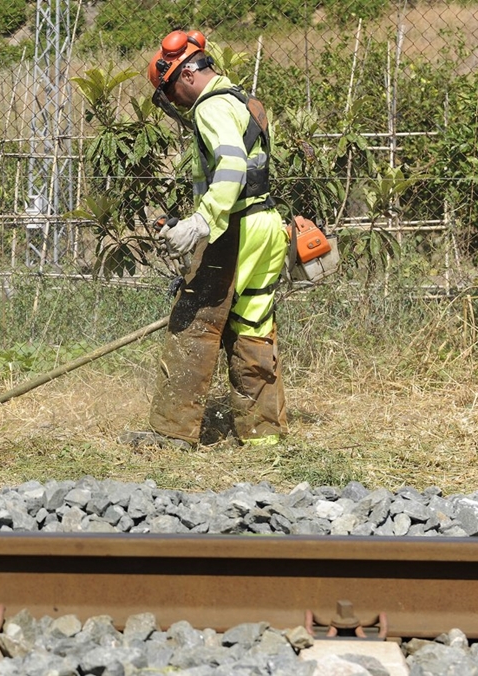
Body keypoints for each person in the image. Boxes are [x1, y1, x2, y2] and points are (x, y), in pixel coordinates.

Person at [120, 30, 290, 449]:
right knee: (254, 326)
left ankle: (171, 432)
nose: (176, 102)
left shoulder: (211, 107)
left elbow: (231, 165)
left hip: (234, 229)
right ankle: (262, 435)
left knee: (193, 322)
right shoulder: (241, 101)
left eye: (171, 93)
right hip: (266, 224)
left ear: (184, 76)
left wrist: (201, 222)